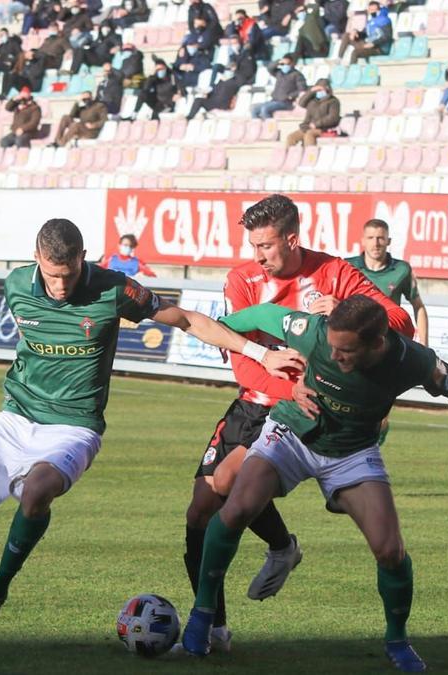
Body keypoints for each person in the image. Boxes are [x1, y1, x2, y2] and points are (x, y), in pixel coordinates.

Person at [0, 219, 304, 656]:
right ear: (36, 260)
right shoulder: (15, 286)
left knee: (37, 492)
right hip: (14, 419)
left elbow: (185, 319)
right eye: (51, 275)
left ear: (83, 258)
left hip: (73, 426)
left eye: (68, 275)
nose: (61, 287)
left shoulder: (113, 287)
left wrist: (261, 353)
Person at [180, 295, 448, 672]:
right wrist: (232, 330)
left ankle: (397, 640)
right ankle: (202, 615)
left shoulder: (413, 360)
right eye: (333, 348)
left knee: (390, 550)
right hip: (291, 433)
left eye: (346, 351)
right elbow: (262, 315)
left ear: (378, 343)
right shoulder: (315, 332)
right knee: (236, 507)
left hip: (353, 452)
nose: (335, 356)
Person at [177, 195, 416, 654]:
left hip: (311, 408)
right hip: (258, 400)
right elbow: (243, 366)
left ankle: (208, 624)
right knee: (198, 510)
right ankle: (226, 617)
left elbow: (399, 320)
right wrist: (288, 387)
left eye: (266, 245)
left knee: (228, 484)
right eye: (253, 245)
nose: (258, 255)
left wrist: (347, 310)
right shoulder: (242, 280)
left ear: (291, 238)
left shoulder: (332, 272)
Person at [346, 220, 428, 347]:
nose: (376, 243)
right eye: (370, 238)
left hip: (388, 339)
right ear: (363, 241)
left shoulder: (402, 270)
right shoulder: (348, 266)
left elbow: (419, 306)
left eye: (380, 238)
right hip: (355, 338)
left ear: (388, 241)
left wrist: (424, 343)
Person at [284, 78, 339, 147]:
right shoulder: (312, 100)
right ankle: (290, 155)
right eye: (317, 90)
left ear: (327, 89)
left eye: (320, 89)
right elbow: (301, 103)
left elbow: (333, 118)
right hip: (307, 127)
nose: (319, 92)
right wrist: (311, 91)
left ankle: (310, 155)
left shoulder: (333, 101)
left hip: (323, 128)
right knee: (291, 137)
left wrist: (316, 124)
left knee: (309, 135)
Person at [251, 53, 306, 119]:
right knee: (254, 109)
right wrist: (278, 61)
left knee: (265, 109)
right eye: (283, 64)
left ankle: (270, 127)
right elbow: (270, 68)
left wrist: (290, 96)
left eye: (287, 64)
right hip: (274, 100)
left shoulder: (297, 75)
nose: (285, 66)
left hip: (286, 102)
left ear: (292, 64)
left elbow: (302, 90)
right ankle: (259, 126)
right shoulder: (279, 73)